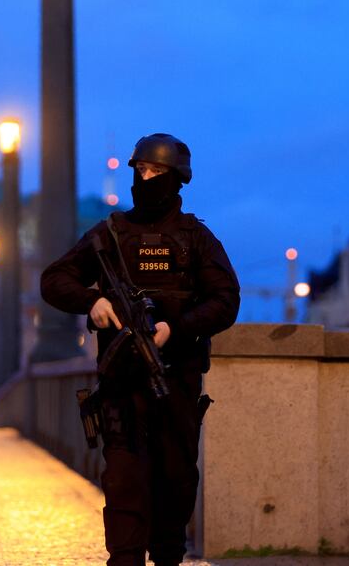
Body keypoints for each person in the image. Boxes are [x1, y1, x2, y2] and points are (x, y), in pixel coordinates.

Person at [40, 133, 241, 566]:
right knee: (124, 485)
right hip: (121, 387)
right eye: (140, 170)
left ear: (176, 180)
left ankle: (168, 558)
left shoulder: (196, 239)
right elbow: (54, 279)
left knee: (175, 483)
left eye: (155, 172)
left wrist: (177, 327)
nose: (145, 178)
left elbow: (226, 301)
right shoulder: (111, 234)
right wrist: (91, 301)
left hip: (178, 384)